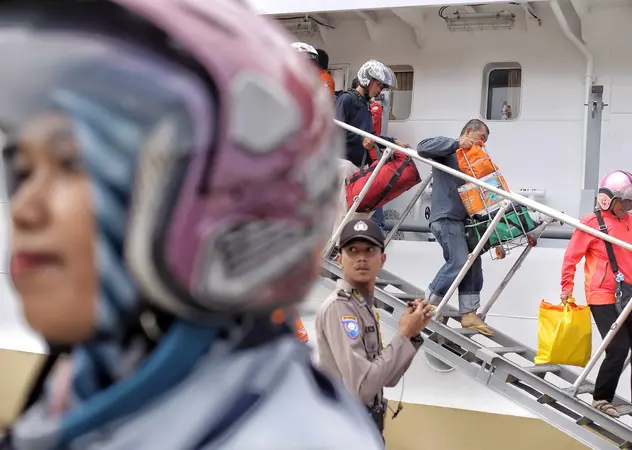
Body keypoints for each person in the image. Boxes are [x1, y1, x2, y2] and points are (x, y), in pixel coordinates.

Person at [0, 1, 384, 448]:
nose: (24, 207)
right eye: (21, 171)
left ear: (218, 200)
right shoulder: (81, 391)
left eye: (72, 162)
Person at [560, 170, 632, 421]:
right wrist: (566, 287)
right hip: (602, 295)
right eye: (625, 200)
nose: (629, 206)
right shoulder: (591, 223)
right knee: (618, 348)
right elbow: (571, 257)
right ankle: (601, 398)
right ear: (607, 199)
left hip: (630, 291)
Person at [316, 218, 433, 437]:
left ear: (382, 259)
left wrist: (412, 335)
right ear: (340, 259)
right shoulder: (340, 308)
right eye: (352, 250)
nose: (361, 258)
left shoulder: (364, 306)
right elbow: (362, 389)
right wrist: (404, 334)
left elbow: (388, 378)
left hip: (366, 429)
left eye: (369, 250)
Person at [416, 119, 495, 337]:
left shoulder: (472, 160)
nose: (483, 144)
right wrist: (457, 144)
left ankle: (468, 313)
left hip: (462, 219)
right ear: (469, 132)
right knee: (459, 260)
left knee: (473, 260)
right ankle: (429, 304)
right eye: (482, 138)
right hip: (445, 217)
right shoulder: (448, 147)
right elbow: (422, 147)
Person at [334, 60, 411, 232]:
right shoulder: (347, 99)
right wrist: (362, 140)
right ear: (367, 79)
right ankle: (338, 244)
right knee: (347, 204)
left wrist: (392, 141)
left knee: (366, 203)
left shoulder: (365, 105)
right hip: (340, 161)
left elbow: (369, 136)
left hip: (356, 163)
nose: (380, 90)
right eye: (378, 84)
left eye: (382, 87)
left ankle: (351, 239)